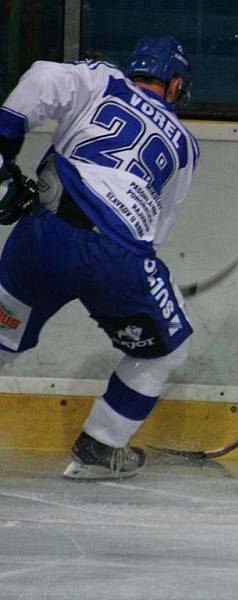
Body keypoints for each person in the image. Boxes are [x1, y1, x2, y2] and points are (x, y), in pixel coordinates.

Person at [0, 36, 199, 479]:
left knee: (0, 342)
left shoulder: (103, 77)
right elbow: (156, 229)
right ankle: (101, 444)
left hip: (43, 234)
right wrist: (142, 282)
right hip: (118, 255)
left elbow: (43, 75)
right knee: (168, 350)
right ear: (175, 83)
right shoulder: (185, 144)